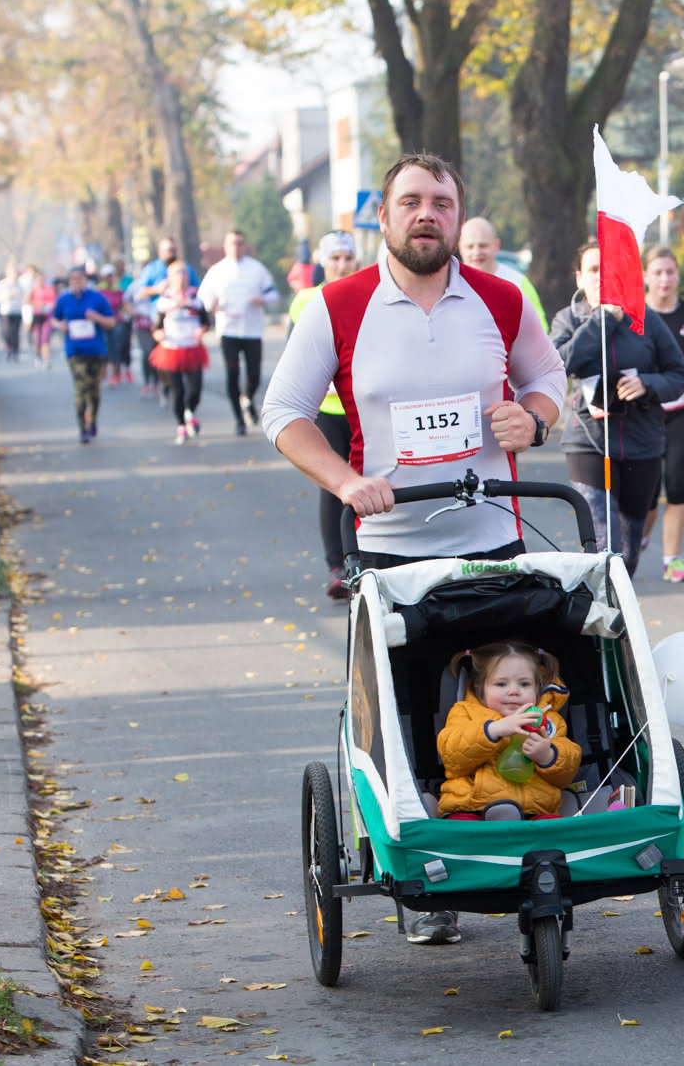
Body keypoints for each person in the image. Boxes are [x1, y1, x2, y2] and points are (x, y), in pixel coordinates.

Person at [261, 153, 565, 948]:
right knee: (401, 713)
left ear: (459, 215)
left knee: (500, 698)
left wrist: (533, 418)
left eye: (441, 202)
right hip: (392, 548)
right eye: (410, 201)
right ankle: (422, 879)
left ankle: (522, 849)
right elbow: (284, 411)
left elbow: (550, 381)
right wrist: (345, 478)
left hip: (494, 540)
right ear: (385, 216)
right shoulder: (338, 305)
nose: (426, 213)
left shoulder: (500, 299)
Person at [548, 238, 684, 578]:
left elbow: (679, 376)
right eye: (593, 270)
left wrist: (647, 384)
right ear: (580, 277)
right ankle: (604, 621)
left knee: (627, 550)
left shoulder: (646, 320)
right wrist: (602, 321)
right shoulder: (567, 320)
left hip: (642, 443)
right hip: (588, 442)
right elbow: (557, 365)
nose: (601, 276)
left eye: (607, 269)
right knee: (603, 544)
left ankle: (617, 612)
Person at [285, 230, 361, 599]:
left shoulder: (370, 294)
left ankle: (371, 559)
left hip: (364, 407)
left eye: (348, 258)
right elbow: (294, 356)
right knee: (335, 485)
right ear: (323, 264)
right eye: (335, 260)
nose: (342, 265)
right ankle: (339, 564)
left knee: (374, 481)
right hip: (328, 408)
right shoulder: (306, 301)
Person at [437, 641, 580, 822]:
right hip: (472, 806)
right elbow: (451, 755)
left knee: (555, 830)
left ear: (537, 689)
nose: (513, 691)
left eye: (524, 684)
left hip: (534, 810)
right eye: (501, 684)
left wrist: (548, 756)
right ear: (481, 689)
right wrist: (493, 730)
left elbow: (567, 772)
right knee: (459, 828)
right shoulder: (465, 712)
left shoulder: (549, 721)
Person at [638, 245, 684, 583]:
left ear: (678, 275)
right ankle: (639, 536)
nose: (664, 279)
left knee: (677, 483)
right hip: (646, 412)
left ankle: (673, 559)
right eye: (657, 272)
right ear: (645, 277)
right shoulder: (635, 316)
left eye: (670, 272)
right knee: (649, 490)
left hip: (683, 409)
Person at [197, 230, 281, 436]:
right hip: (228, 330)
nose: (236, 247)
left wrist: (262, 300)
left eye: (240, 243)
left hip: (252, 329)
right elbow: (203, 298)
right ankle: (238, 419)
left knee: (254, 373)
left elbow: (273, 294)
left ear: (245, 245)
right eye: (232, 243)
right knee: (232, 373)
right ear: (226, 246)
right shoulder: (217, 271)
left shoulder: (257, 269)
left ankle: (248, 398)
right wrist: (212, 305)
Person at [51, 267, 117, 444]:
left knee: (94, 391)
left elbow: (111, 322)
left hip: (95, 350)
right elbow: (54, 319)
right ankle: (82, 428)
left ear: (86, 280)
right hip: (74, 351)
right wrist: (60, 326)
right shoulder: (64, 300)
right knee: (81, 389)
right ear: (69, 282)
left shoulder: (97, 298)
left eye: (80, 279)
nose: (77, 282)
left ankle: (93, 419)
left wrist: (97, 318)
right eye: (73, 279)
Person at [149, 262, 211, 444]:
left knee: (195, 389)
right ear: (169, 277)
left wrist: (203, 330)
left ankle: (190, 410)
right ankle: (181, 425)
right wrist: (158, 334)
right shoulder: (164, 302)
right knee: (178, 389)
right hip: (171, 349)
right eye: (177, 273)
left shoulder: (196, 299)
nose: (181, 276)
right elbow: (155, 328)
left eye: (184, 273)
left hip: (192, 347)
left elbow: (206, 322)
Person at [132, 239, 199, 398]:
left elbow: (198, 287)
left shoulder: (184, 267)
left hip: (184, 322)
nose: (171, 253)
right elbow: (139, 292)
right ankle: (166, 383)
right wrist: (157, 289)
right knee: (162, 360)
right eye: (168, 250)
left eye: (173, 249)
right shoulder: (152, 269)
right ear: (160, 252)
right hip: (160, 320)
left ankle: (183, 392)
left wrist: (186, 293)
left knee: (187, 364)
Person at [459, 216, 547, 329]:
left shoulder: (518, 283)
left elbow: (539, 328)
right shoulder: (447, 284)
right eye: (470, 247)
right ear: (460, 247)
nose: (476, 252)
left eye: (483, 246)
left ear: (497, 245)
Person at [96, 264, 131, 385]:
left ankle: (116, 374)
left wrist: (127, 312)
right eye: (107, 276)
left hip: (116, 322)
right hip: (103, 323)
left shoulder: (118, 290)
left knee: (117, 347)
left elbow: (124, 304)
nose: (109, 279)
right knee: (104, 348)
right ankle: (104, 371)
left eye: (111, 276)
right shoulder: (99, 291)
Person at [27, 271, 58, 368]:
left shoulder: (51, 289)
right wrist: (37, 303)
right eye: (38, 279)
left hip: (47, 317)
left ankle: (46, 359)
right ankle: (37, 356)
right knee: (38, 339)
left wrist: (49, 306)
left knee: (45, 338)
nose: (40, 281)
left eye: (42, 279)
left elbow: (56, 301)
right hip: (37, 317)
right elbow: (26, 301)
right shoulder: (33, 290)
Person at [0, 263, 24, 361]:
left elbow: (24, 297)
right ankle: (8, 348)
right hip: (6, 311)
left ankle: (15, 352)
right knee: (6, 332)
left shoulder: (20, 284)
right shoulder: (3, 284)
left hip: (17, 311)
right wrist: (7, 296)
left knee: (15, 333)